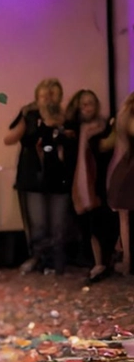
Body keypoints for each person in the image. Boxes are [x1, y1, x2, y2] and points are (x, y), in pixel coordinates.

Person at [4, 78, 73, 275]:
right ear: (37, 97)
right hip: (33, 175)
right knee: (38, 222)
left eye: (52, 94)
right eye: (44, 95)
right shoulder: (30, 114)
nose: (48, 99)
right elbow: (8, 139)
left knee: (59, 222)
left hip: (60, 176)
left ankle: (56, 261)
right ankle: (38, 258)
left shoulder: (66, 117)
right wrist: (25, 122)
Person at [65, 89, 116, 283]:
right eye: (83, 104)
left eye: (90, 103)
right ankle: (95, 262)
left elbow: (106, 152)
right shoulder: (73, 129)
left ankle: (103, 262)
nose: (86, 108)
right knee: (85, 224)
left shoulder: (104, 127)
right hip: (78, 182)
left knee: (100, 223)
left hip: (99, 182)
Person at [107, 92, 134, 277]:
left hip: (127, 169)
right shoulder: (129, 112)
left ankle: (127, 261)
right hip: (129, 171)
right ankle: (127, 261)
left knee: (125, 219)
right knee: (125, 218)